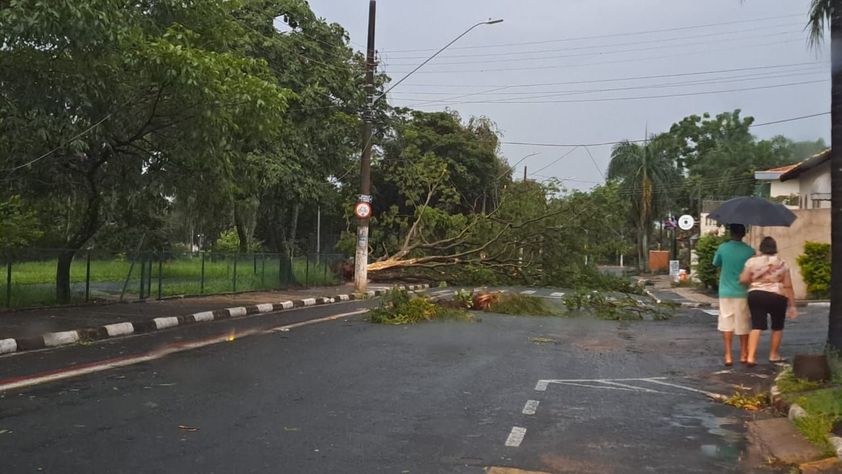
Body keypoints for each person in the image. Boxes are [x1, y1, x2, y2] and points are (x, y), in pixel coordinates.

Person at [739, 237, 797, 367]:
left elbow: (743, 279)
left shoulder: (751, 261)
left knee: (756, 325)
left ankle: (751, 356)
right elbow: (787, 285)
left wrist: (754, 281)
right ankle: (774, 354)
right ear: (774, 248)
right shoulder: (782, 263)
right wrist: (792, 305)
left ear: (761, 247)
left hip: (756, 295)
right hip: (777, 295)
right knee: (777, 326)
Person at [712, 224, 755, 366]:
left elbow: (715, 263)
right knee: (743, 323)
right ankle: (743, 354)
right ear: (743, 234)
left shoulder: (723, 248)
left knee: (726, 323)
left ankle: (728, 355)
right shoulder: (749, 251)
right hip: (742, 292)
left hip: (725, 291)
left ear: (730, 233)